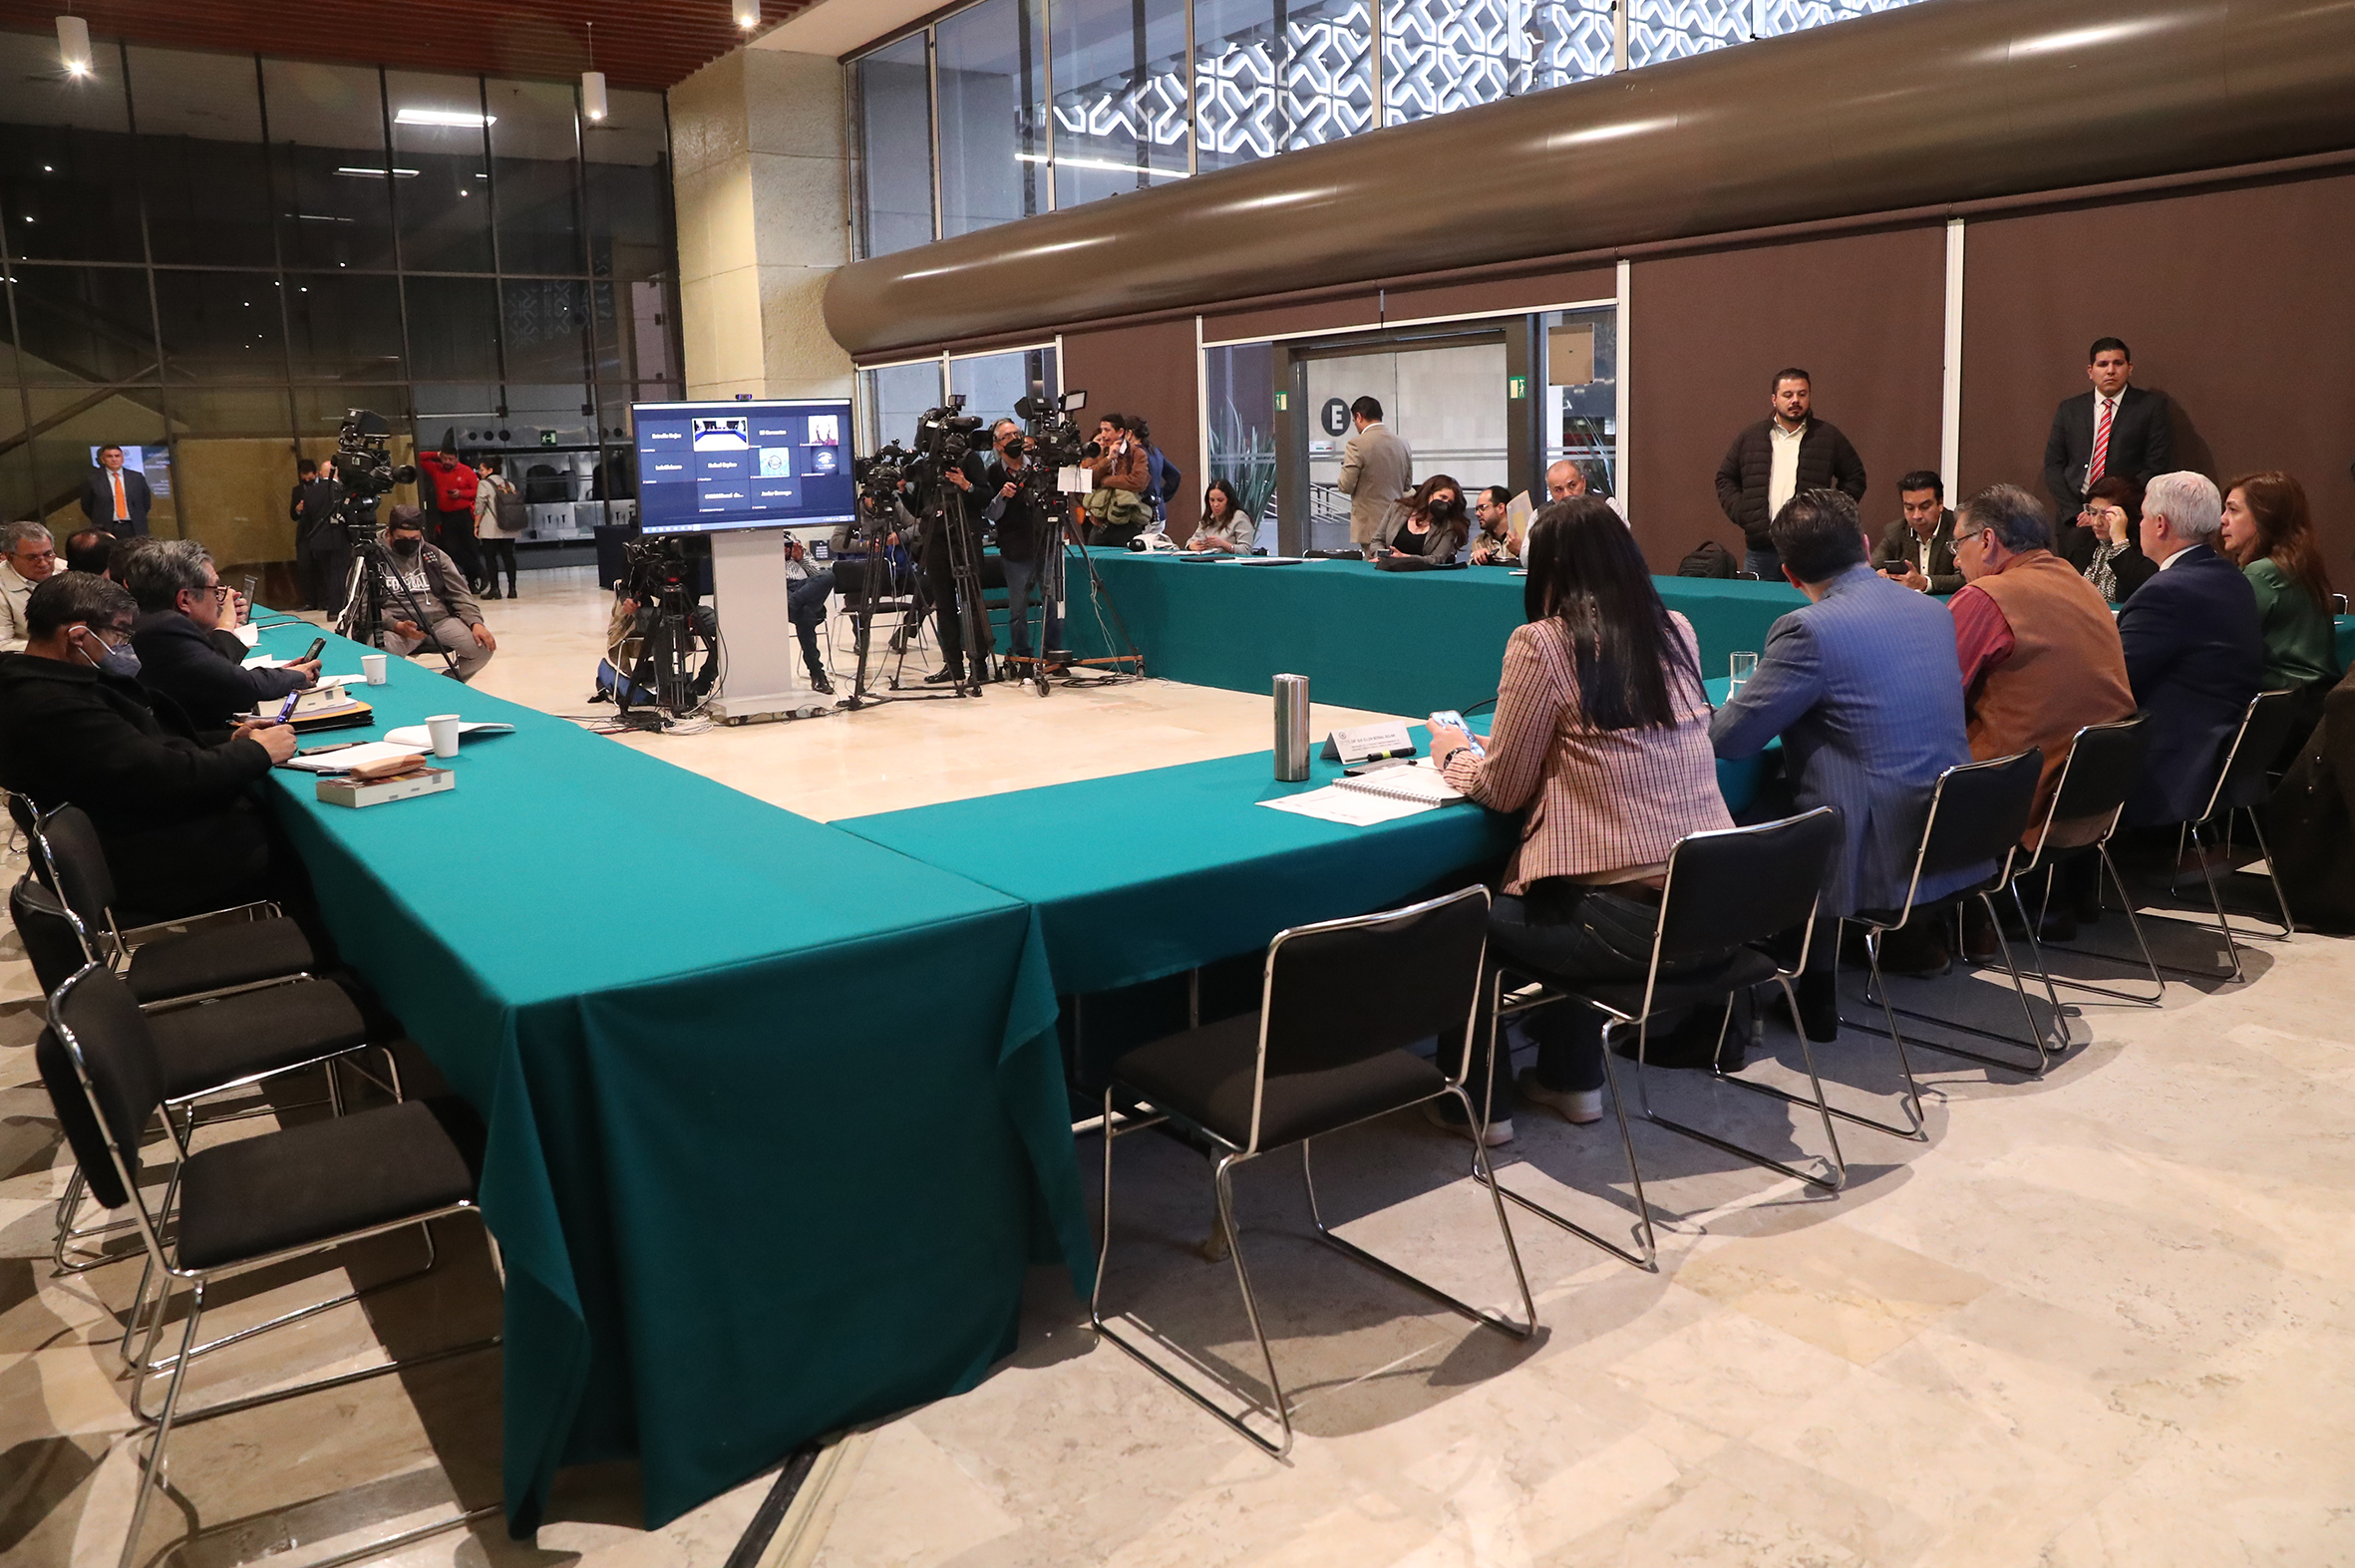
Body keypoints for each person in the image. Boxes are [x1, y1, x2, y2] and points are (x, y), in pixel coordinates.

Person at [1425, 498, 1734, 1142]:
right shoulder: (1676, 628)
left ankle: (1478, 1106)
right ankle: (1572, 1079)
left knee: (1464, 916)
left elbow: (1502, 790)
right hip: (1715, 911)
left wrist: (1454, 754)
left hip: (1627, 928)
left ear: (1548, 568)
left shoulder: (1541, 642)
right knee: (1565, 893)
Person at [1711, 488, 1979, 1023]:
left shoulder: (1807, 629)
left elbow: (1732, 741)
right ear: (1864, 544)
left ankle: (1757, 982)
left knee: (1738, 812)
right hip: (1950, 829)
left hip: (1873, 847)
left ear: (1788, 575)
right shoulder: (1931, 610)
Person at [0, 572, 299, 922]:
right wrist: (258, 752)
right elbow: (167, 776)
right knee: (297, 845)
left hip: (137, 833)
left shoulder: (52, 681)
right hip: (148, 864)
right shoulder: (51, 707)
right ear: (78, 636)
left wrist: (229, 740)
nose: (126, 645)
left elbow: (144, 744)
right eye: (120, 633)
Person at [1945, 483, 2137, 943]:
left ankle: (1914, 933)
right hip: (2093, 799)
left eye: (1958, 545)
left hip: (2023, 802)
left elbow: (1930, 697)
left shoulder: (1987, 597)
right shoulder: (2082, 585)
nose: (1955, 561)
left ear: (1987, 541)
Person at [2115, 471, 2263, 827]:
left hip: (2169, 768)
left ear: (2160, 524)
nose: (2138, 526)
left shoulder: (2165, 592)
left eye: (2142, 517)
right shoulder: (2232, 578)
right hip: (2219, 755)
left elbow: (2114, 682)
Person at [125, 538, 318, 731]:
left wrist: (279, 674)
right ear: (185, 600)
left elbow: (215, 675)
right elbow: (239, 688)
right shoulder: (166, 628)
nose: (221, 598)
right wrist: (296, 676)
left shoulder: (145, 620)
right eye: (215, 590)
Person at [1714, 369, 1867, 580]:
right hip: (1761, 549)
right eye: (1788, 395)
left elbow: (1855, 477)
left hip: (1810, 548)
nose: (1795, 400)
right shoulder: (1751, 437)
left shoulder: (1828, 436)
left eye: (1802, 394)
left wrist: (1828, 514)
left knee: (1806, 601)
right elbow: (1725, 478)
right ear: (1774, 399)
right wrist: (1746, 513)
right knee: (1755, 601)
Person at [2043, 338, 2172, 521]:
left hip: (2125, 514)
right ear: (2090, 371)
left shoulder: (2150, 407)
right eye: (2102, 364)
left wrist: (2107, 509)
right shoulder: (2070, 409)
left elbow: (2155, 466)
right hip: (2076, 517)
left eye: (2118, 363)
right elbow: (2053, 465)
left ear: (2130, 368)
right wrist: (2075, 512)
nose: (2110, 371)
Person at [366, 506, 497, 681]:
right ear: (389, 533)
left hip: (438, 621)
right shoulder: (371, 558)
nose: (409, 542)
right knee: (380, 654)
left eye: (414, 538)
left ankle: (446, 684)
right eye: (402, 538)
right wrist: (395, 625)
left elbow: (461, 594)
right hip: (396, 625)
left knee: (483, 647)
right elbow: (363, 606)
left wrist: (475, 622)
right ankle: (404, 690)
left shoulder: (434, 555)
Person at [979, 420, 1065, 676]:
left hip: (1045, 542)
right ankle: (1023, 657)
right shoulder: (992, 473)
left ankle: (1053, 654)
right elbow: (990, 513)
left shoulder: (1038, 466)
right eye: (1008, 436)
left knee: (1052, 603)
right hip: (1015, 549)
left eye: (1017, 433)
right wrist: (1002, 496)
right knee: (1018, 609)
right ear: (997, 445)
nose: (1015, 438)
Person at [2055, 472, 2158, 603]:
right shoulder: (2078, 538)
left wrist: (2119, 541)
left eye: (2106, 514)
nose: (2096, 522)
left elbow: (2142, 589)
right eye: (2092, 512)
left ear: (2127, 515)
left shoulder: (2146, 545)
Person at [1337, 396, 1413, 558]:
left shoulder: (1356, 444)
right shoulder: (1402, 443)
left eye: (1354, 420)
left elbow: (1346, 486)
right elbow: (1407, 485)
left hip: (1370, 525)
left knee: (1374, 566)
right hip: (1398, 521)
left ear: (1359, 416)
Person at [1872, 470, 1961, 594]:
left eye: (1925, 507)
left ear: (1940, 503)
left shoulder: (1959, 529)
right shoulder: (1895, 531)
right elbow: (1872, 568)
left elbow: (1966, 577)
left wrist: (1925, 583)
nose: (1916, 516)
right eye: (1909, 508)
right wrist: (1879, 575)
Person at [417, 443, 486, 592]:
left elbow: (478, 491)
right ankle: (479, 570)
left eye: (451, 459)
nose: (447, 462)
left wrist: (461, 494)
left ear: (456, 459)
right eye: (445, 458)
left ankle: (473, 582)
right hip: (446, 516)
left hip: (464, 514)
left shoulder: (466, 471)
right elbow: (419, 457)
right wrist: (436, 454)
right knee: (450, 548)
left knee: (471, 547)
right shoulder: (436, 469)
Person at [1078, 414, 1154, 547]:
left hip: (1126, 523)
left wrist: (1105, 481)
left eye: (1107, 430)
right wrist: (1107, 460)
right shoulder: (1099, 452)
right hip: (1099, 523)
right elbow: (1088, 479)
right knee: (1093, 557)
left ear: (1120, 432)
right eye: (1101, 430)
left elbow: (1138, 482)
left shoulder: (1136, 453)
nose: (1103, 435)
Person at [294, 455, 351, 614]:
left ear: (320, 473)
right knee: (340, 574)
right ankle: (338, 607)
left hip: (318, 540)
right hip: (339, 538)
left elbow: (306, 519)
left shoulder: (311, 492)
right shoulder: (341, 490)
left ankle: (330, 605)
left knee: (327, 574)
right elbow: (349, 516)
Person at [783, 536, 836, 695]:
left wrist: (801, 559)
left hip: (804, 588)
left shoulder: (792, 540)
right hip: (779, 587)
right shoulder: (758, 543)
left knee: (828, 576)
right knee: (805, 613)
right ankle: (817, 673)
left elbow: (816, 573)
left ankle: (790, 605)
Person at [1, 521, 59, 653]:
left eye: (48, 554)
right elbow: (2, 645)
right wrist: (54, 647)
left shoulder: (65, 569)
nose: (43, 564)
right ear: (10, 557)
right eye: (32, 558)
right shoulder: (1, 589)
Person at [1385, 474, 1470, 560]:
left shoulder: (1449, 526)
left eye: (1450, 502)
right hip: (1388, 565)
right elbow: (1378, 539)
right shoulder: (1398, 508)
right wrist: (1382, 555)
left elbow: (1437, 558)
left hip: (1420, 568)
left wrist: (1406, 558)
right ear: (1429, 493)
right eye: (1443, 497)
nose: (1445, 504)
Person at [474, 457, 523, 600]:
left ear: (490, 470)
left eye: (482, 469)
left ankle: (495, 589)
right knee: (509, 557)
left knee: (491, 558)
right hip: (509, 526)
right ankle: (512, 589)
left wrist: (476, 525)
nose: (480, 472)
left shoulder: (484, 484)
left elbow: (480, 505)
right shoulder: (509, 484)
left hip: (491, 528)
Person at [80, 445, 153, 536]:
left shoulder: (136, 477)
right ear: (103, 460)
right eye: (109, 456)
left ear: (122, 458)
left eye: (117, 456)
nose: (114, 459)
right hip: (105, 528)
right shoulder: (93, 479)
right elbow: (87, 505)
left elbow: (146, 502)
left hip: (134, 527)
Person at [1545, 458, 1627, 522]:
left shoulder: (1608, 506)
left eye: (1572, 486)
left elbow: (1622, 537)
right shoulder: (1541, 515)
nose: (1567, 495)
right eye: (1558, 490)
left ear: (1583, 482)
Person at [1185, 479, 1256, 553]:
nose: (1215, 504)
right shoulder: (1208, 518)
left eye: (1220, 500)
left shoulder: (1239, 517)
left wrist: (1223, 544)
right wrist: (1191, 546)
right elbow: (1192, 540)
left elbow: (1246, 550)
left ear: (1229, 500)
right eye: (1212, 500)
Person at [1468, 485, 1517, 564]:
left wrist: (1520, 550)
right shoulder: (1479, 542)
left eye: (1483, 507)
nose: (1477, 513)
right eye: (1477, 509)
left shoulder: (1523, 536)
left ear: (1501, 508)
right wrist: (1476, 559)